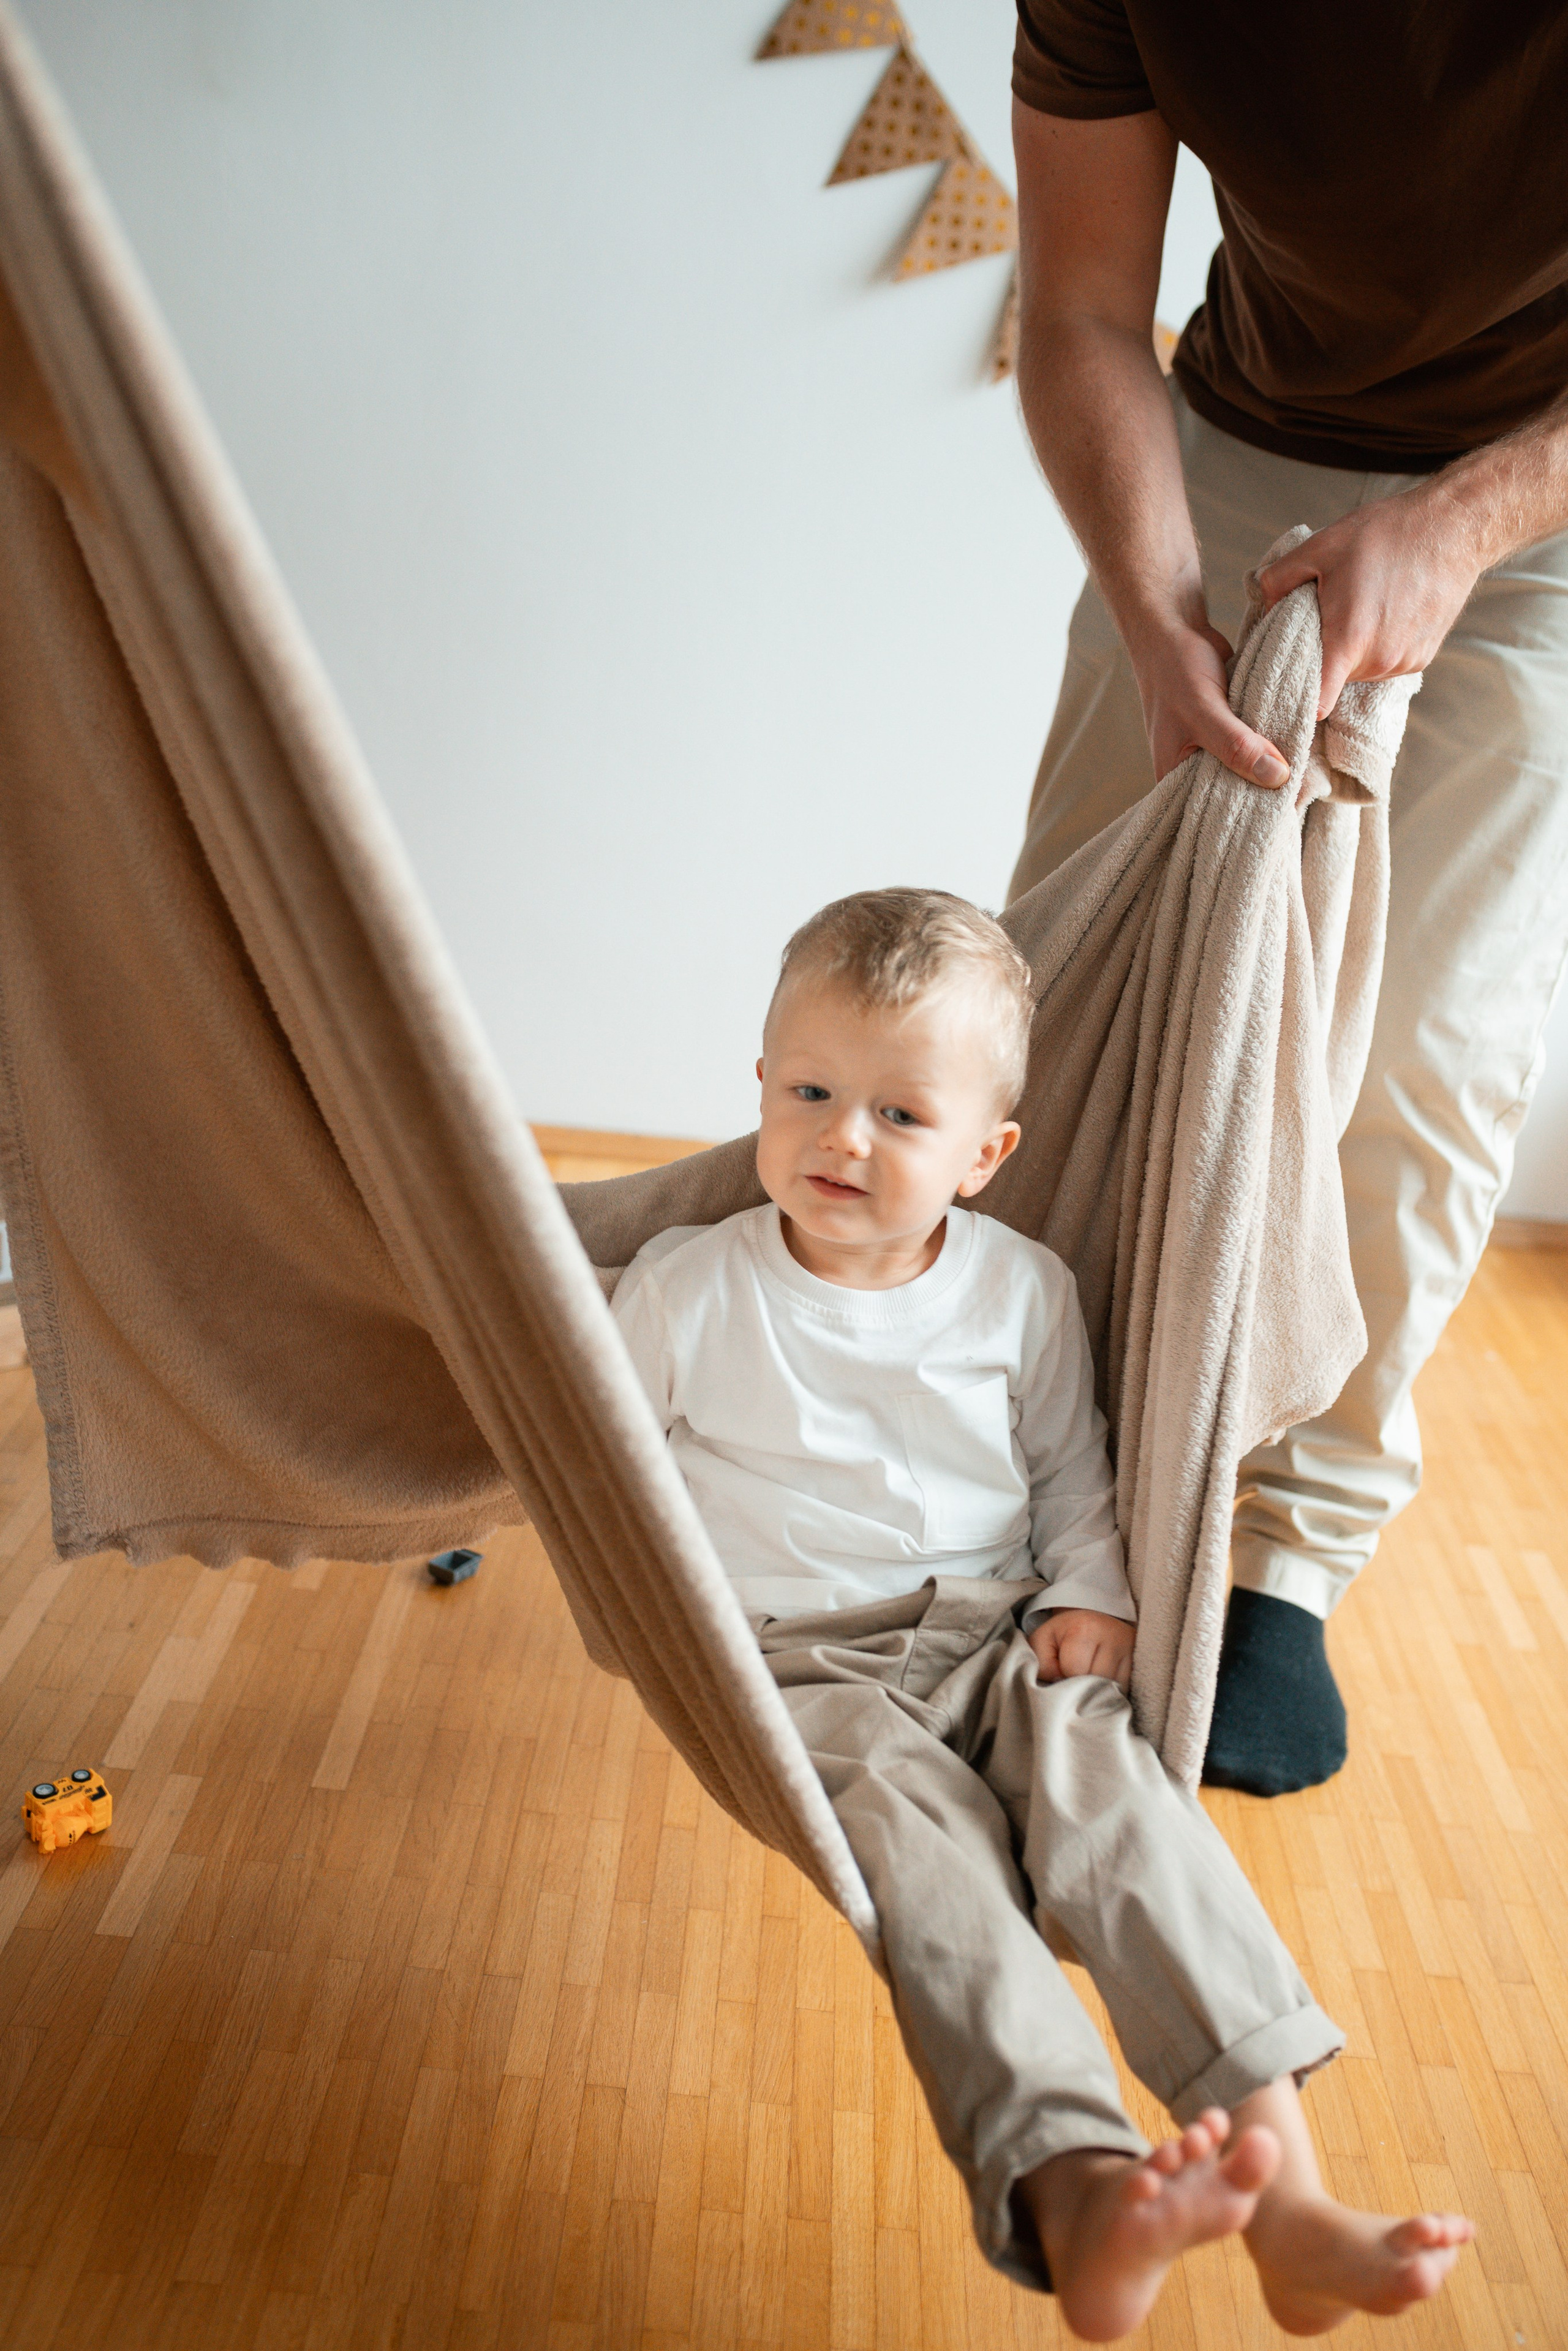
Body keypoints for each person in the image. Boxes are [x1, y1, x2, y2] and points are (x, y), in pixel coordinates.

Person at [611, 888, 1471, 2338]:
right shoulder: (687, 1292)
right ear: (758, 1087)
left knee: (1122, 1810)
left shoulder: (1021, 1291)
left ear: (984, 1154)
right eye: (811, 1092)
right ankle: (1077, 2191)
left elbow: (1074, 1468)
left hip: (1001, 1633)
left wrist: (1089, 1589)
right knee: (926, 1862)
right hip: (797, 1665)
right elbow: (604, 1473)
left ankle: (1288, 2197)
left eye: (899, 1114)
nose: (842, 1138)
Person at [1007, 4, 1568, 1797]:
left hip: (1543, 500)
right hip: (1228, 436)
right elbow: (1085, 303)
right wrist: (1158, 606)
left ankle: (1282, 1559)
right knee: (1059, 978)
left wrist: (1465, 524)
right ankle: (1026, 1461)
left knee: (1424, 1055)